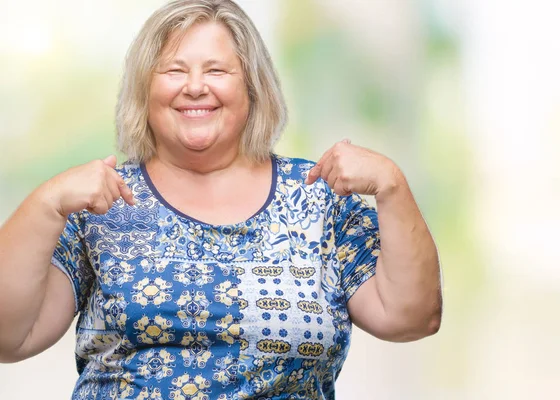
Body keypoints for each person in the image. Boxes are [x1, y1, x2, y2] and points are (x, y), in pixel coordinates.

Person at [0, 0, 442, 398]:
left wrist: (392, 185)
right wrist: (45, 203)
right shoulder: (100, 203)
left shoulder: (318, 197)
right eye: (174, 70)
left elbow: (410, 318)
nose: (195, 87)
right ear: (143, 90)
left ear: (252, 88)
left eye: (216, 70)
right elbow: (10, 338)